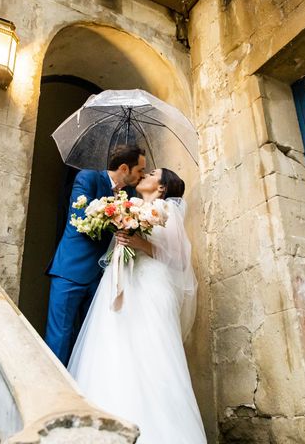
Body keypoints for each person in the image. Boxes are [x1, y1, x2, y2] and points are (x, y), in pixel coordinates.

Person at [68, 168, 207, 443]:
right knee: (113, 346)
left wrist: (139, 243)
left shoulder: (165, 209)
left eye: (152, 173)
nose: (145, 175)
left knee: (152, 351)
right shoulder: (131, 205)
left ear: (163, 187)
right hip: (124, 282)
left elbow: (179, 260)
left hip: (151, 286)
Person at [45, 145, 146, 365]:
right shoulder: (88, 178)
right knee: (60, 337)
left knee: (90, 340)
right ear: (123, 168)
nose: (142, 176)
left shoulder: (129, 194)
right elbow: (81, 216)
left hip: (102, 278)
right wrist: (116, 215)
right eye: (139, 170)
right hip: (70, 270)